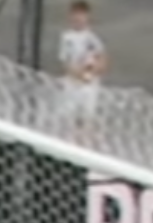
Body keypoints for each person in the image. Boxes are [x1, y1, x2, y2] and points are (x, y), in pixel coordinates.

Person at [57, 2, 107, 137]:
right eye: (76, 16)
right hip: (72, 82)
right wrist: (77, 74)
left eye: (82, 16)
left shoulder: (93, 38)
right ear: (70, 17)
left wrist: (94, 70)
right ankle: (69, 138)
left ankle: (86, 138)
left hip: (89, 83)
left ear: (88, 17)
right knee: (68, 114)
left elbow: (102, 58)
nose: (79, 19)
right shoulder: (66, 37)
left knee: (88, 115)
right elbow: (64, 62)